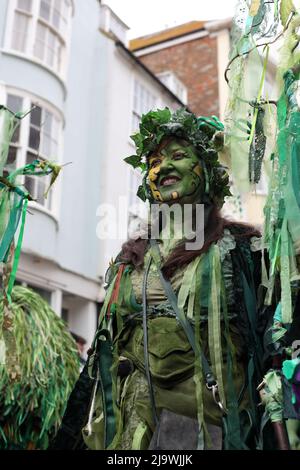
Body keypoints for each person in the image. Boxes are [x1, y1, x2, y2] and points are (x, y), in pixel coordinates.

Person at [51, 108, 298, 450]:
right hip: (130, 429)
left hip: (206, 430)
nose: (163, 166)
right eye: (154, 161)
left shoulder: (243, 251)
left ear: (208, 172)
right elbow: (107, 349)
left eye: (179, 156)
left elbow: (278, 330)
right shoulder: (131, 258)